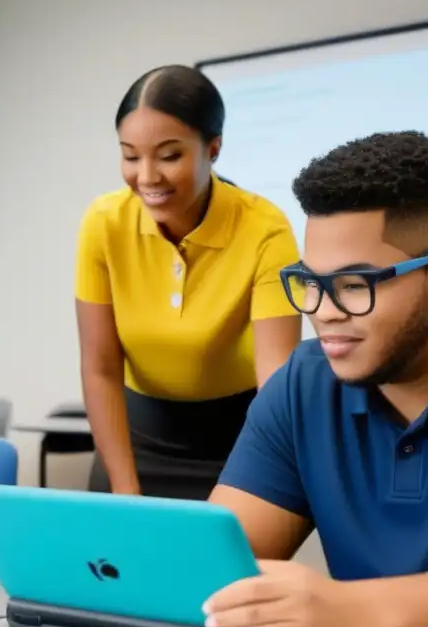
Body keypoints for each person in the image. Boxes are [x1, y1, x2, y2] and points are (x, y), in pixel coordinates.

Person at [203, 132, 428, 627]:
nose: (323, 314)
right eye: (311, 284)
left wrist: (353, 613)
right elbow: (213, 562)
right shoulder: (304, 385)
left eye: (354, 285)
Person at [76, 64, 302, 500]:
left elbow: (275, 378)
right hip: (135, 441)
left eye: (168, 155)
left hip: (240, 444)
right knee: (121, 563)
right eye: (130, 155)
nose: (146, 177)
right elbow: (100, 367)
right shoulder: (104, 224)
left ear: (213, 148)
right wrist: (125, 487)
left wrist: (254, 478)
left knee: (227, 568)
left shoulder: (265, 229)